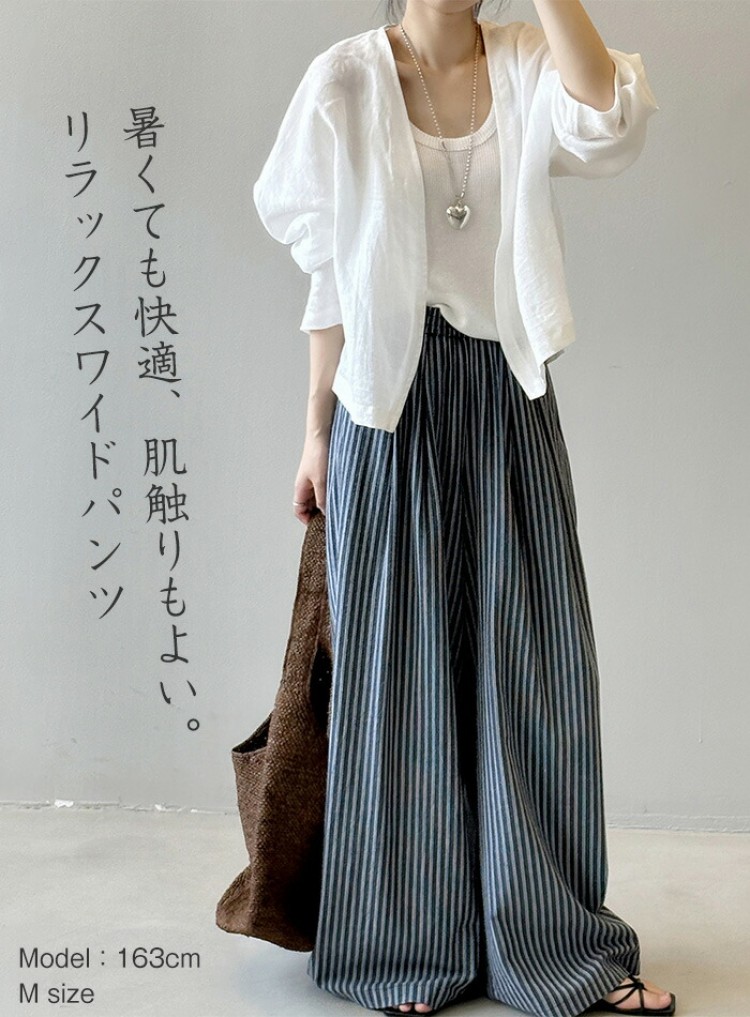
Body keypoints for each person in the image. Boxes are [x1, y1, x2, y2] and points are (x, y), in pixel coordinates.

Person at [252, 2, 675, 1016]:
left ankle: (554, 947)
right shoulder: (346, 80)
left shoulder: (528, 59)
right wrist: (314, 434)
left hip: (506, 400)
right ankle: (403, 948)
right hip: (386, 409)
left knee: (535, 673)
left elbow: (609, 118)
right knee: (397, 678)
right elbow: (330, 274)